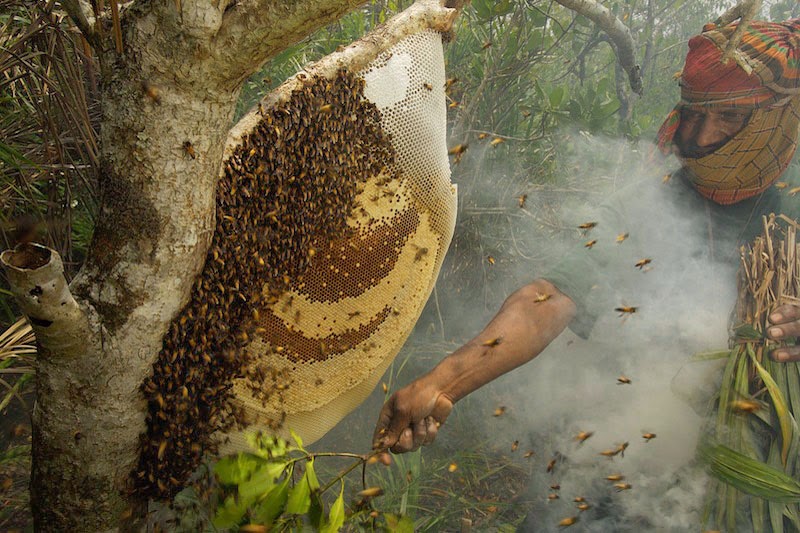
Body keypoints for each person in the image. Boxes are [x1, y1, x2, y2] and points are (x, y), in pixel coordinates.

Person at [373, 17, 800, 455]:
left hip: (769, 469)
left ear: (780, 118)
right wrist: (442, 384)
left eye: (729, 116)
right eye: (697, 115)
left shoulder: (794, 203)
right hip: (641, 446)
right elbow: (550, 298)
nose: (705, 137)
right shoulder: (651, 200)